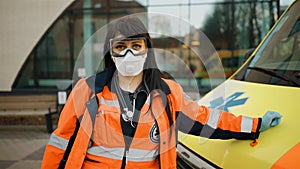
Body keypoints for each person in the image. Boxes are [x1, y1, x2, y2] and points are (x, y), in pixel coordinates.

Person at [41, 15, 282, 169]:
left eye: (136, 46)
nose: (129, 54)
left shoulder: (167, 93)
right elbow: (60, 144)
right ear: (111, 54)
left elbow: (208, 120)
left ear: (147, 51)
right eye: (121, 47)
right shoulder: (87, 90)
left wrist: (255, 125)